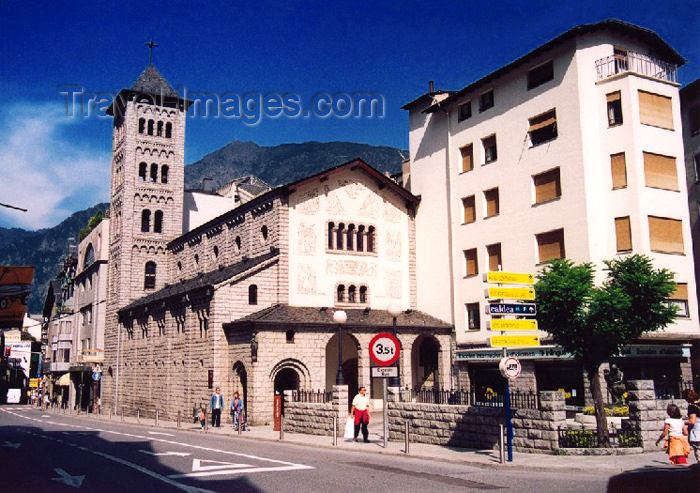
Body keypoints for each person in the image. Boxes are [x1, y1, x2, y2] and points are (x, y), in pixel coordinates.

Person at [682, 388, 700, 462]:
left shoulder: (692, 407)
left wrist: (683, 422)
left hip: (697, 431)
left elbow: (692, 421)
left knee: (698, 450)